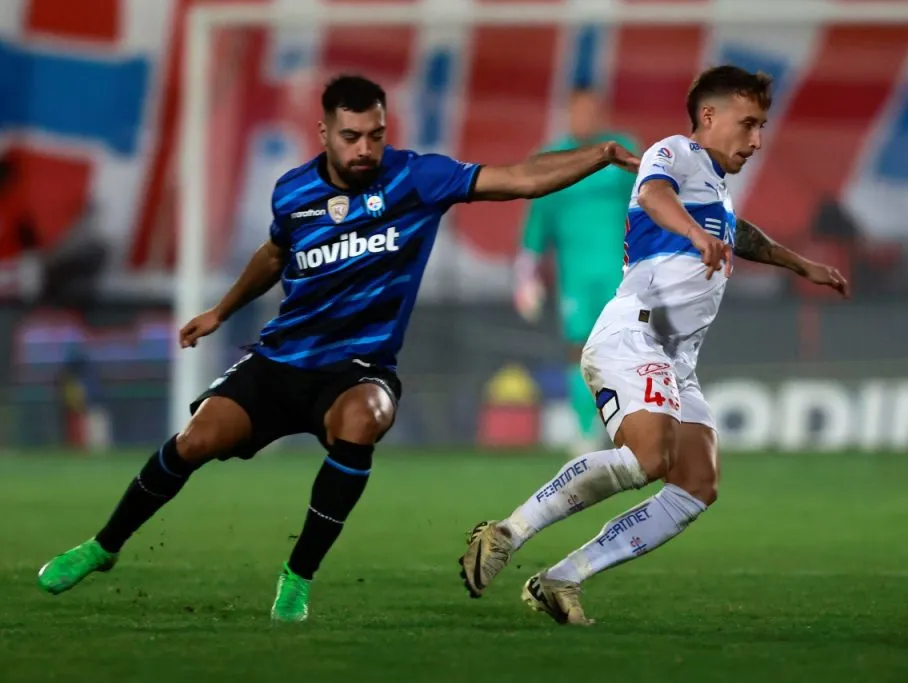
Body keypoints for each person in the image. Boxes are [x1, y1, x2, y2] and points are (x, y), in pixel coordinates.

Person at [36, 74, 639, 623]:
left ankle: (296, 579)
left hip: (360, 368)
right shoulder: (292, 192)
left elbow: (520, 179)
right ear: (324, 132)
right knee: (196, 438)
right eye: (352, 137)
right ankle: (103, 546)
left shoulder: (416, 178)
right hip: (282, 361)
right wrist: (220, 310)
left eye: (376, 135)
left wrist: (602, 155)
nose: (365, 150)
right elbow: (275, 255)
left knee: (364, 419)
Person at [459, 65, 850, 625]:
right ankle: (506, 533)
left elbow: (739, 235)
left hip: (675, 357)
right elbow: (653, 191)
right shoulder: (672, 153)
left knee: (696, 485)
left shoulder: (714, 185)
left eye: (761, 126)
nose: (757, 140)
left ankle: (563, 578)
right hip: (634, 333)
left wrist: (801, 264)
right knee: (649, 458)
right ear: (709, 117)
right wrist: (694, 234)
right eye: (749, 124)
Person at [513, 88, 639, 453]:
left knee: (622, 348)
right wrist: (526, 272)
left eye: (591, 112)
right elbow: (538, 220)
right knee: (580, 350)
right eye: (577, 112)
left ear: (601, 114)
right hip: (575, 276)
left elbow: (650, 202)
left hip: (621, 271)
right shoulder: (551, 159)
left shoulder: (620, 151)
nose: (584, 119)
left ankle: (628, 427)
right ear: (568, 114)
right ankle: (585, 428)